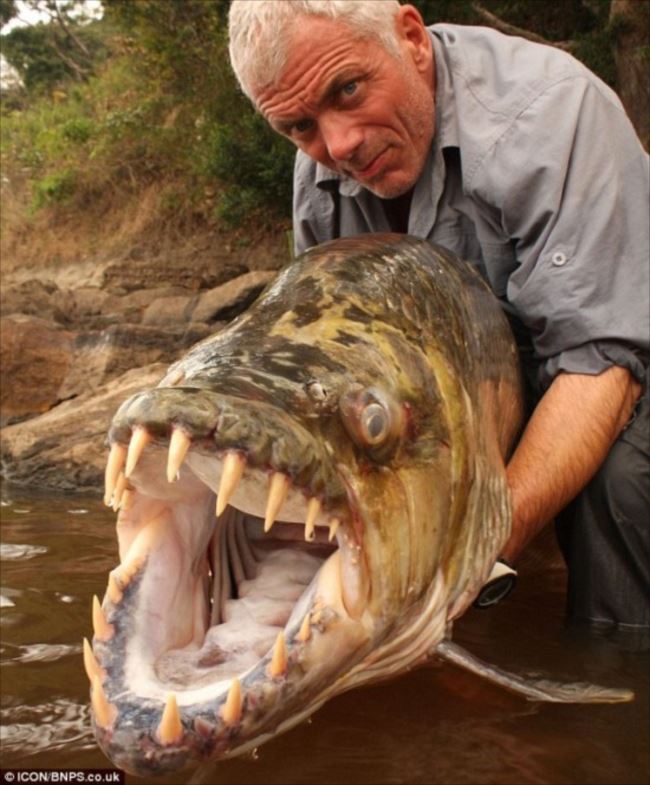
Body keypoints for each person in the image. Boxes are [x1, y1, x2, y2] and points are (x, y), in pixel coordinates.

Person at [227, 1, 649, 629]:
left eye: (348, 89)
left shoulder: (553, 114)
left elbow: (601, 366)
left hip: (618, 349)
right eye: (298, 126)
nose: (338, 145)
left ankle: (621, 679)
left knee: (618, 485)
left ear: (411, 38)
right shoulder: (317, 172)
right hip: (480, 378)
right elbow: (333, 364)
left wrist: (466, 556)